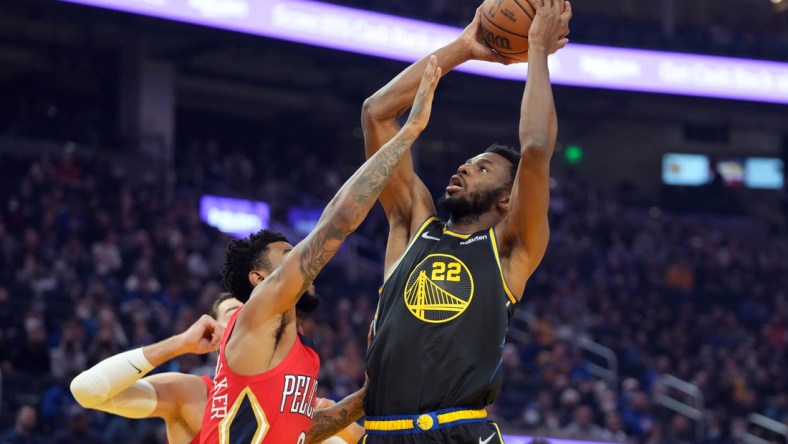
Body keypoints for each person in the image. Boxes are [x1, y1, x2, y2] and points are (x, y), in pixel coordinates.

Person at [199, 56, 442, 444]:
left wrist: (365, 397)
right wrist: (408, 131)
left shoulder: (295, 351)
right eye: (286, 255)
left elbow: (302, 429)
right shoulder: (258, 311)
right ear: (259, 279)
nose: (299, 262)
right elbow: (338, 219)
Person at [359, 0, 571, 442]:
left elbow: (534, 148)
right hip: (381, 432)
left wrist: (535, 50)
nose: (464, 168)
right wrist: (463, 47)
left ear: (507, 198)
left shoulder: (511, 248)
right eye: (468, 163)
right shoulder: (411, 222)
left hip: (458, 430)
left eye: (482, 168)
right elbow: (377, 113)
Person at [70, 293, 363, 444]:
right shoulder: (191, 393)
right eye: (236, 313)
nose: (247, 320)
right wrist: (179, 343)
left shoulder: (299, 403)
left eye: (252, 312)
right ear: (213, 329)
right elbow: (87, 391)